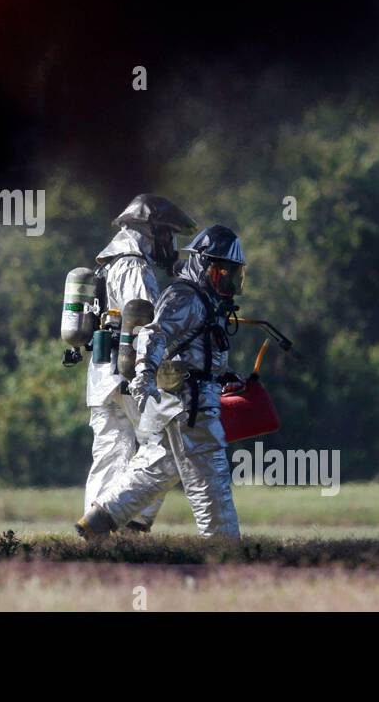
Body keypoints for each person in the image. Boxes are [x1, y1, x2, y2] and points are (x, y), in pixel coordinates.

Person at [77, 224, 246, 540]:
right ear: (204, 265)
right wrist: (143, 376)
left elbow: (197, 352)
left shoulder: (209, 302)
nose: (230, 280)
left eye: (233, 274)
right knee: (211, 480)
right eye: (223, 272)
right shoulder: (185, 297)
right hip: (188, 406)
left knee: (158, 467)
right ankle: (225, 550)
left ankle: (96, 522)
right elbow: (153, 335)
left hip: (191, 400)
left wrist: (222, 376)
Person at [83, 194, 197, 532]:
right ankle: (132, 524)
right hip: (129, 371)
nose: (173, 244)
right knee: (162, 445)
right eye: (171, 235)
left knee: (109, 453)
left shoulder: (108, 261)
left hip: (101, 375)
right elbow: (147, 325)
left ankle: (96, 532)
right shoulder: (135, 265)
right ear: (155, 232)